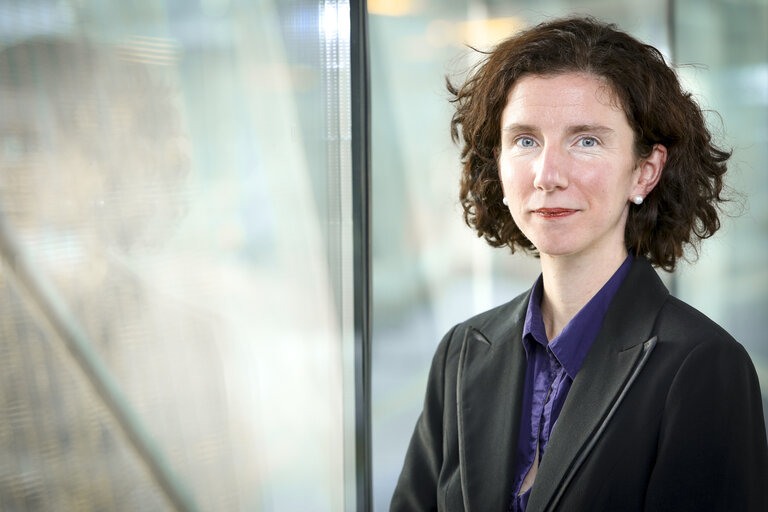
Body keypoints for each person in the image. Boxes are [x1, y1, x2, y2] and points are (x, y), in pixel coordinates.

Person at [390, 16, 768, 512]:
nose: (548, 175)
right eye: (525, 140)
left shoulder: (702, 367)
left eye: (585, 140)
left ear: (645, 171)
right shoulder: (462, 353)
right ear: (498, 164)